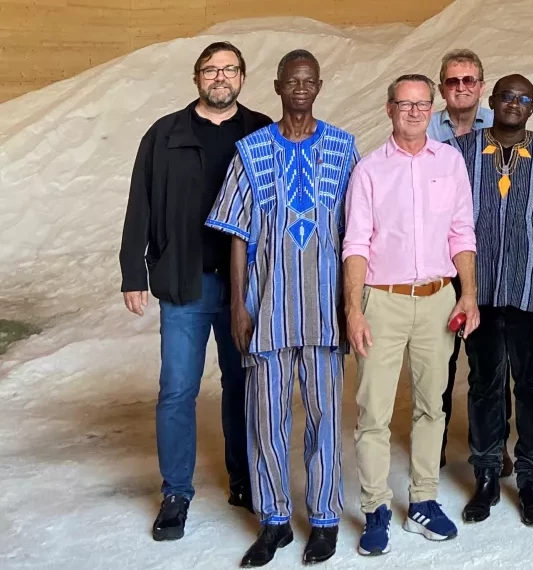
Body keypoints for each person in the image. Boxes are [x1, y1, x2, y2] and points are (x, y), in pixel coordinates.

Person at [206, 49, 358, 567]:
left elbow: (356, 235)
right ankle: (273, 521)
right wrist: (237, 308)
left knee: (323, 417)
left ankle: (324, 520)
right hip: (266, 309)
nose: (300, 88)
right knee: (264, 418)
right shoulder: (250, 151)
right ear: (276, 86)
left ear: (319, 86)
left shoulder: (342, 148)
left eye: (308, 80)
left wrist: (351, 305)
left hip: (323, 311)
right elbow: (236, 233)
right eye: (291, 80)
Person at [119, 41, 271, 542]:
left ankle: (243, 479)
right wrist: (133, 271)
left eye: (229, 70)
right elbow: (139, 202)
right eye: (211, 70)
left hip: (242, 286)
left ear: (243, 78)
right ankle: (176, 492)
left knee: (241, 384)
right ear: (197, 78)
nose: (220, 77)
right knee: (178, 389)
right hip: (184, 282)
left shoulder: (261, 131)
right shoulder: (164, 134)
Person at [344, 73, 479, 556]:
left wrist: (469, 294)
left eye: (423, 104)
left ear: (433, 108)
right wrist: (354, 310)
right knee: (373, 413)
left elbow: (462, 231)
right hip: (382, 300)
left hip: (439, 299)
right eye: (405, 104)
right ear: (389, 109)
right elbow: (356, 243)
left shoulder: (451, 162)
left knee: (431, 406)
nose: (415, 112)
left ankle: (423, 500)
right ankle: (376, 507)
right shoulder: (369, 170)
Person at [446, 74, 533, 526]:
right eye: (507, 96)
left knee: (532, 383)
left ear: (531, 107)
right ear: (491, 101)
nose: (514, 103)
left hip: (531, 285)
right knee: (484, 383)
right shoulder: (460, 152)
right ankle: (488, 474)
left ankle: (531, 478)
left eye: (524, 98)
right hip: (477, 290)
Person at [428, 49, 513, 477]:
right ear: (441, 87)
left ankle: (494, 445)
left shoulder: (502, 126)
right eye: (452, 81)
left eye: (469, 80)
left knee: (490, 363)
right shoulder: (423, 128)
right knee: (437, 363)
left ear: (482, 85)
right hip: (437, 266)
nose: (461, 87)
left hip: (488, 265)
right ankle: (434, 445)